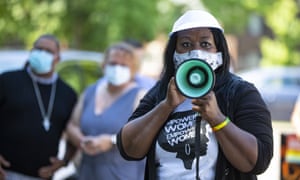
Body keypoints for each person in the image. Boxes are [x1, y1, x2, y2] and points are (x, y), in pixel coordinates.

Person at [117, 10, 273, 180]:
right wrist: (166, 106)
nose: (195, 52)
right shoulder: (161, 92)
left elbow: (258, 161)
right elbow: (129, 148)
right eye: (185, 45)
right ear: (174, 53)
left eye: (205, 44)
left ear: (218, 51)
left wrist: (217, 119)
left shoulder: (240, 92)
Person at [0, 34, 77, 180]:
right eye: (38, 49)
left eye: (48, 51)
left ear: (58, 58)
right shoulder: (7, 81)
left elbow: (74, 132)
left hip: (42, 175)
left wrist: (64, 161)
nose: (42, 53)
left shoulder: (68, 94)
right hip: (5, 173)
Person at [66, 42, 146, 180]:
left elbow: (144, 136)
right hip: (87, 173)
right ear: (104, 65)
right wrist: (82, 140)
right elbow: (72, 125)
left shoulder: (140, 96)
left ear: (133, 70)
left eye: (123, 65)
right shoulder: (90, 91)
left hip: (122, 175)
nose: (117, 68)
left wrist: (111, 141)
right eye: (113, 63)